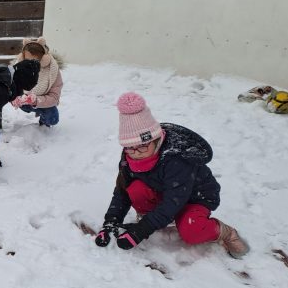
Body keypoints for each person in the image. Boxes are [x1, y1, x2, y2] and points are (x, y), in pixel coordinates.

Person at [94, 92, 249, 258]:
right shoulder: (129, 156)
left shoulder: (176, 159)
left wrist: (142, 230)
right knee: (135, 188)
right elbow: (122, 190)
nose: (136, 152)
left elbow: (173, 201)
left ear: (156, 139)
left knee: (191, 230)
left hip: (194, 197)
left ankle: (225, 232)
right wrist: (111, 221)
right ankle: (157, 218)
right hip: (163, 190)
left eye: (142, 146)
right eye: (130, 147)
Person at [10, 37, 64, 127]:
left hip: (43, 102)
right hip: (24, 103)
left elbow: (54, 97)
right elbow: (11, 88)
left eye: (35, 61)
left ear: (43, 58)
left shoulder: (53, 71)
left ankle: (43, 121)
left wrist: (36, 100)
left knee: (53, 118)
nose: (30, 64)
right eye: (27, 60)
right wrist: (14, 99)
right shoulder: (18, 67)